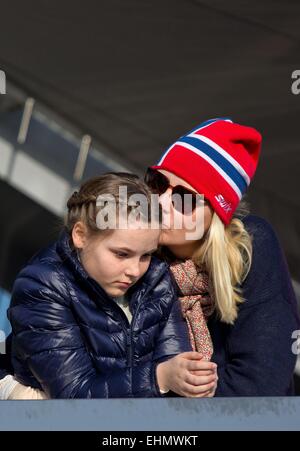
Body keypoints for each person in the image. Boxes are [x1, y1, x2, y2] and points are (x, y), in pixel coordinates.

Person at [0, 173, 218, 399]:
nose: (134, 270)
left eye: (146, 255)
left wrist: (191, 381)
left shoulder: (156, 278)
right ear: (81, 235)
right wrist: (158, 378)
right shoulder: (43, 286)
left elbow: (175, 369)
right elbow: (73, 395)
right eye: (121, 254)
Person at [145, 117, 300, 396]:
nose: (161, 202)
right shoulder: (131, 254)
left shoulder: (251, 248)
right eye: (157, 183)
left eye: (184, 197)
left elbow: (260, 385)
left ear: (216, 214)